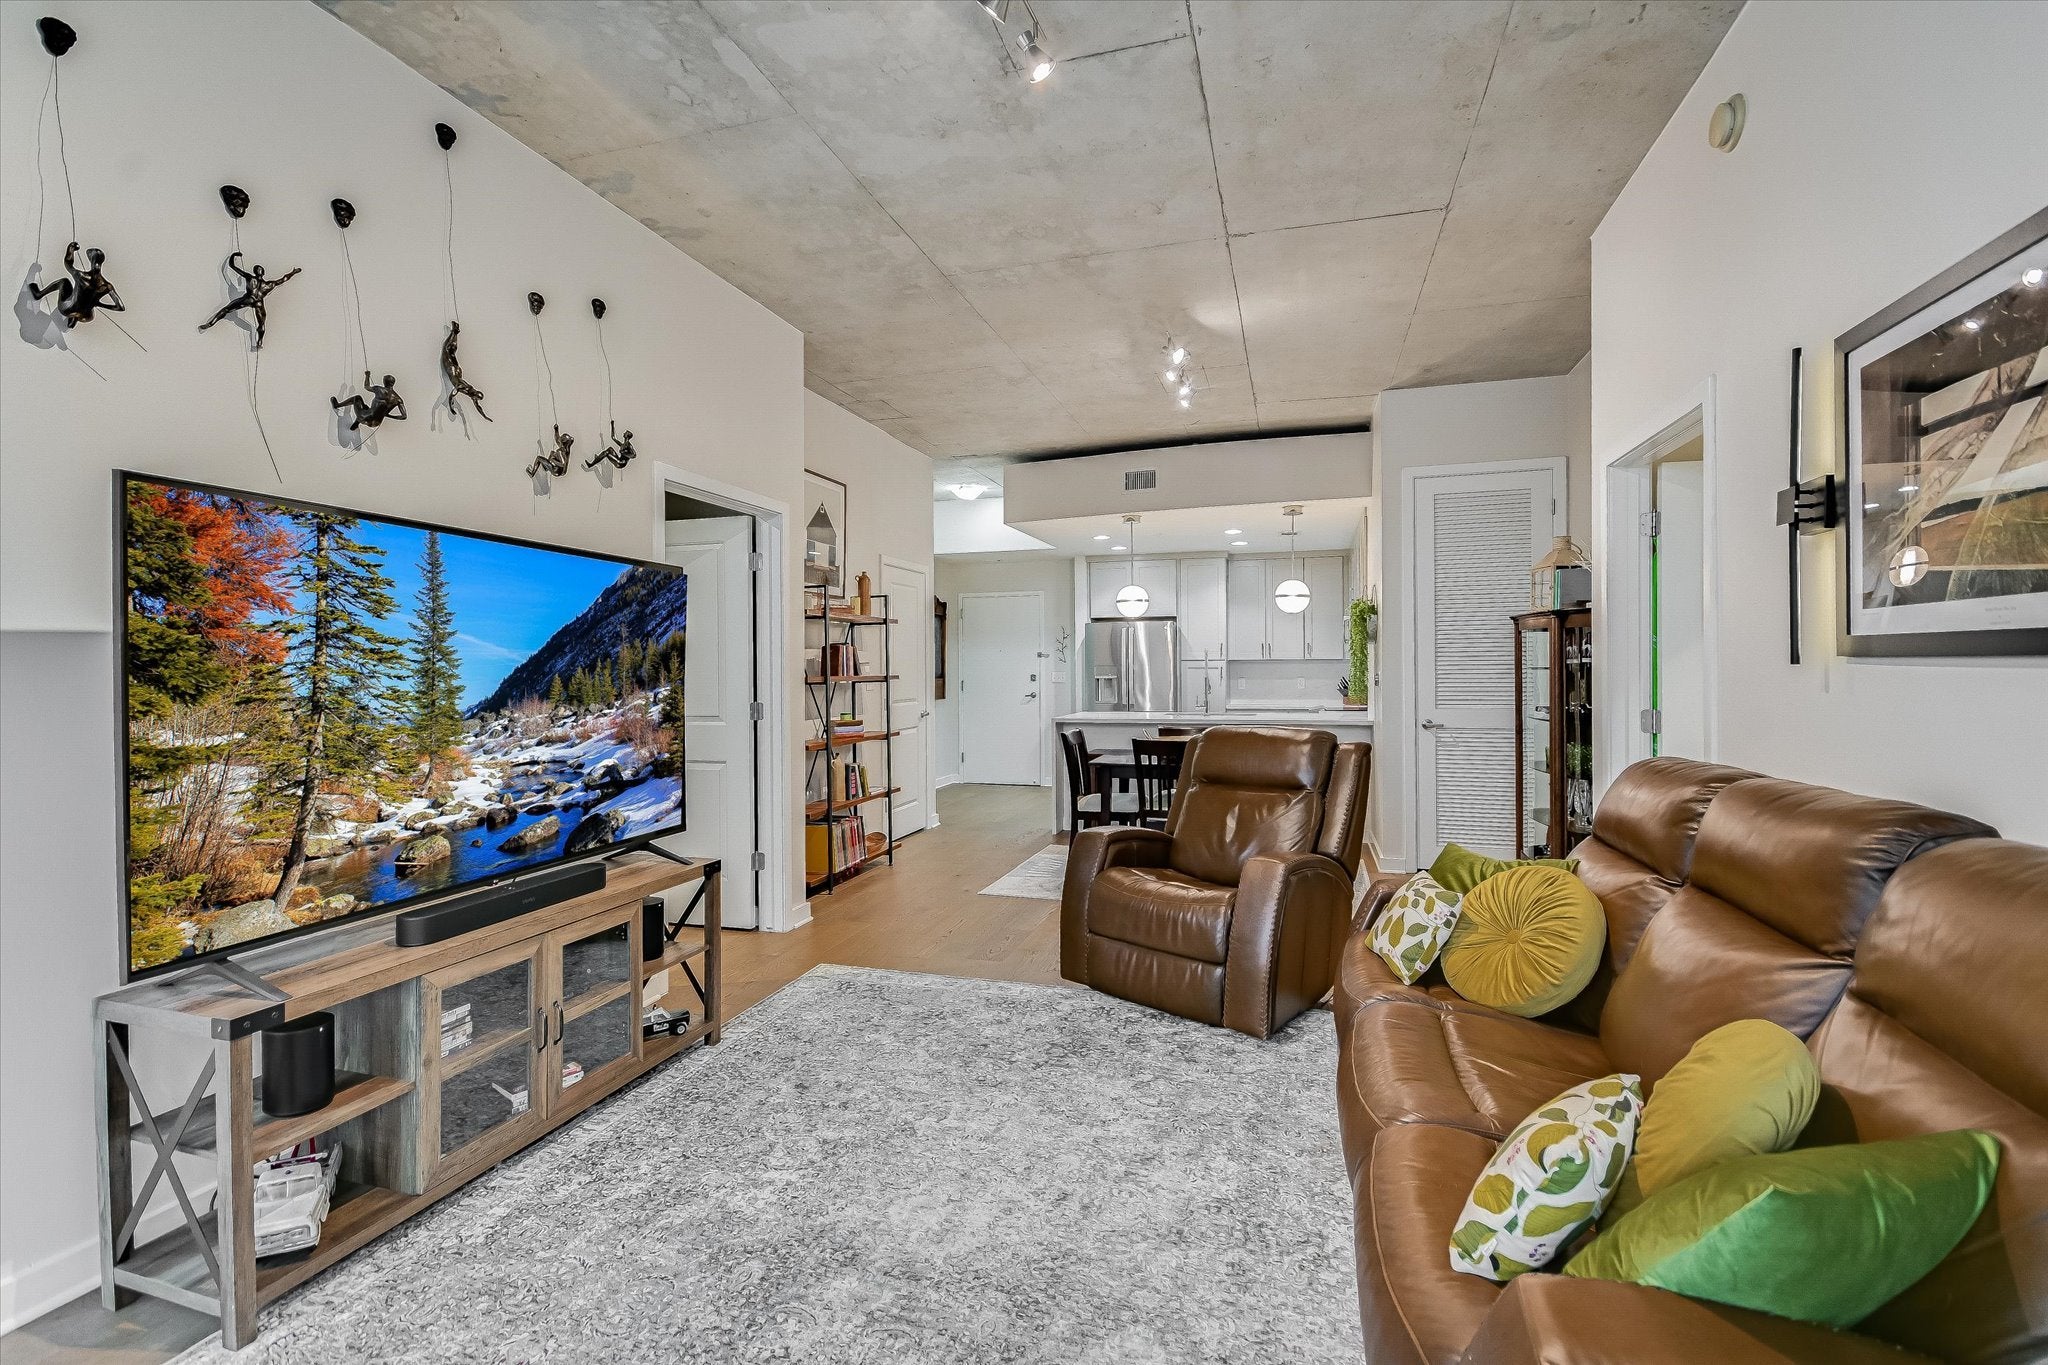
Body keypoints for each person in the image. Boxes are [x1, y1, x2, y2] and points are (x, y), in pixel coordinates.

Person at [197, 252, 300, 350]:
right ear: (263, 273)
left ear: (255, 272)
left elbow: (232, 267)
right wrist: (293, 272)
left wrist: (234, 255)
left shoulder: (250, 278)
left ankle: (209, 324)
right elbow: (284, 279)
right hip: (259, 303)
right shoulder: (269, 284)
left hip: (248, 299)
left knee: (226, 309)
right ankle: (259, 342)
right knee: (261, 324)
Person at [30, 241, 123, 327]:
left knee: (64, 282)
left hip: (68, 309)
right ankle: (75, 318)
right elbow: (120, 307)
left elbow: (68, 264)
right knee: (85, 301)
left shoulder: (81, 276)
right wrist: (98, 303)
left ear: (92, 261)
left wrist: (71, 249)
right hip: (87, 316)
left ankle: (39, 294)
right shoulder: (107, 286)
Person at [331, 372, 406, 430]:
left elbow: (366, 386)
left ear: (385, 382)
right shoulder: (398, 399)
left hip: (365, 417)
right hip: (376, 423)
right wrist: (388, 415)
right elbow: (404, 416)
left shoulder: (379, 389)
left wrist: (367, 375)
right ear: (392, 384)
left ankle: (337, 405)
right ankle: (356, 424)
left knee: (357, 398)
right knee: (365, 407)